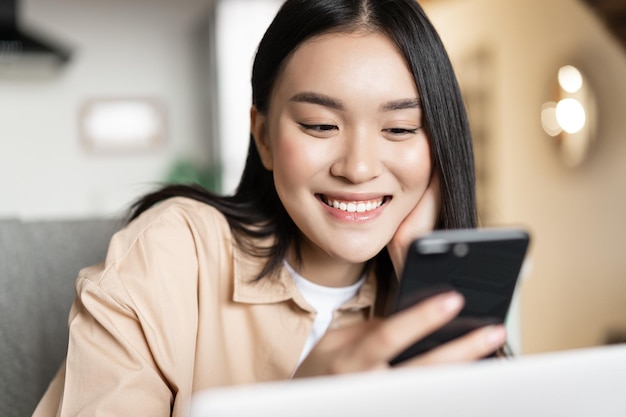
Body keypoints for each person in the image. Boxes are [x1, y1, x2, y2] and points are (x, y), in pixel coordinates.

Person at [33, 0, 507, 415]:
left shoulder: (435, 288)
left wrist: (429, 278)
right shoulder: (171, 253)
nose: (359, 168)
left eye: (400, 128)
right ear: (262, 136)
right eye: (320, 125)